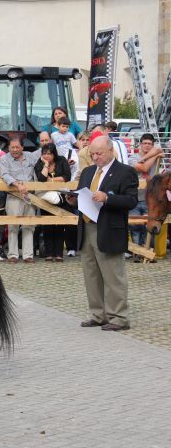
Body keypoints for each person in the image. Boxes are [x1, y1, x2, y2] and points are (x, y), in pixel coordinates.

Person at [71, 135, 138, 331]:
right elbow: (80, 193)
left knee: (113, 275)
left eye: (99, 153)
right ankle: (97, 314)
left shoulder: (125, 172)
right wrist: (72, 200)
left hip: (109, 229)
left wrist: (108, 198)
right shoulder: (88, 171)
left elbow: (131, 201)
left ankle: (118, 317)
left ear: (111, 151)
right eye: (92, 153)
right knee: (91, 275)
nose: (95, 157)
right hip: (87, 227)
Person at [0, 136, 38, 263]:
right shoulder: (4, 159)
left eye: (17, 147)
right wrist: (17, 184)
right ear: (8, 148)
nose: (15, 150)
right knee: (13, 225)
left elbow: (44, 156)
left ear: (22, 147)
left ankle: (28, 255)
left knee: (29, 225)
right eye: (12, 147)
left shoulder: (31, 156)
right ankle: (13, 255)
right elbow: (5, 175)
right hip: (14, 196)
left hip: (30, 196)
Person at [34, 143, 72, 261]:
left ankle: (59, 253)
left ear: (54, 154)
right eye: (44, 154)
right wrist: (46, 165)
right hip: (46, 197)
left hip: (61, 196)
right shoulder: (40, 163)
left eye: (49, 154)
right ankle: (49, 253)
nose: (47, 156)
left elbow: (67, 176)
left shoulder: (62, 160)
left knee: (59, 225)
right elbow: (41, 179)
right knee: (47, 225)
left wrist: (51, 180)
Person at [128, 133, 163, 250]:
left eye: (150, 144)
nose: (147, 146)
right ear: (140, 144)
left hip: (150, 199)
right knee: (135, 226)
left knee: (149, 226)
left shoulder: (157, 155)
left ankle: (147, 250)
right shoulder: (132, 158)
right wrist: (153, 156)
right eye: (145, 143)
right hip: (136, 197)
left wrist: (155, 154)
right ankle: (137, 251)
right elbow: (144, 168)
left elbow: (159, 149)